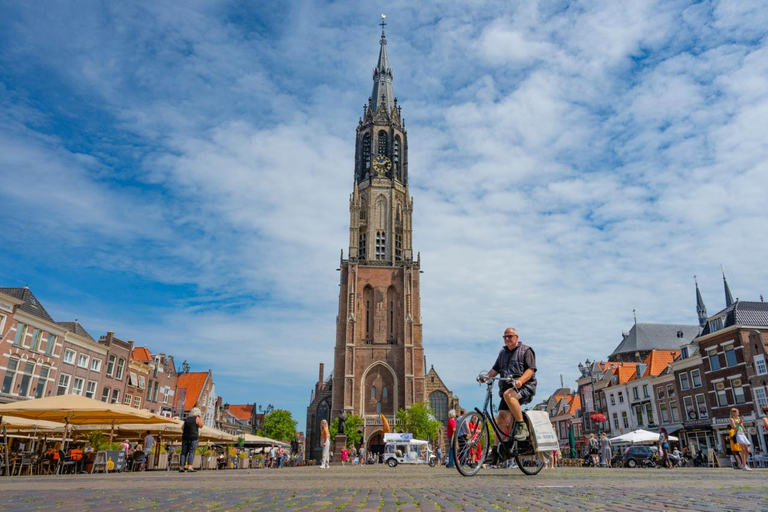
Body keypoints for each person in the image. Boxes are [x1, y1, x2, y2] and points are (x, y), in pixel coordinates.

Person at [479, 327, 537, 442]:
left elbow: (531, 369)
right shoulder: (502, 353)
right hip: (508, 390)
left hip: (524, 388)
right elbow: (495, 369)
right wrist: (486, 377)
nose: (507, 339)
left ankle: (522, 426)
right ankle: (497, 450)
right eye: (505, 337)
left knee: (508, 394)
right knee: (501, 418)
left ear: (516, 337)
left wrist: (521, 380)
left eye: (510, 336)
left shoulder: (526, 350)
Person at [180, 407, 203, 472]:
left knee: (183, 452)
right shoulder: (197, 418)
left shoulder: (187, 419)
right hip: (193, 437)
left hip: (185, 437)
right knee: (191, 452)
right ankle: (190, 467)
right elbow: (201, 425)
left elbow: (182, 428)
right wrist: (200, 417)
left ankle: (181, 467)